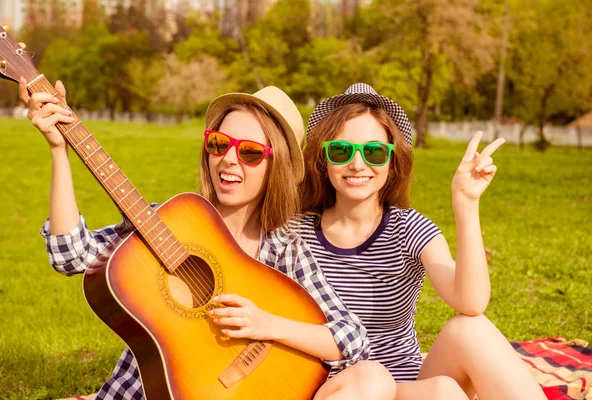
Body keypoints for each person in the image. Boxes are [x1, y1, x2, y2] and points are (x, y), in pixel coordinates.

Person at [19, 79, 394, 399]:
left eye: (249, 152)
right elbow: (70, 255)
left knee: (373, 378)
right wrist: (58, 151)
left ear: (275, 165)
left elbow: (351, 338)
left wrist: (265, 324)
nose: (229, 159)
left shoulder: (283, 246)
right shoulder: (168, 224)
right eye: (219, 144)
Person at [295, 83, 547, 400]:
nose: (357, 164)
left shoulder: (408, 228)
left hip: (406, 388)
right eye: (341, 150)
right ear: (324, 159)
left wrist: (466, 203)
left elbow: (471, 303)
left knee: (469, 330)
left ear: (392, 160)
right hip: (338, 389)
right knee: (443, 393)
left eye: (373, 151)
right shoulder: (296, 232)